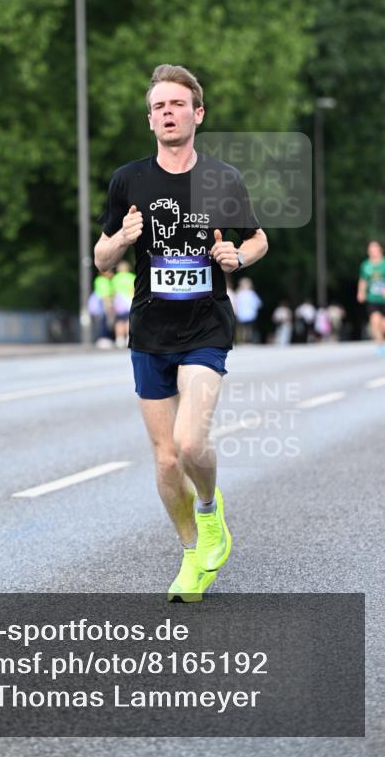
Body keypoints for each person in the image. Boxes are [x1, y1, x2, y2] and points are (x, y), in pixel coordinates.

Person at [95, 63, 268, 602]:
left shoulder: (224, 179)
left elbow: (259, 239)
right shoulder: (128, 180)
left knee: (192, 442)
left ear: (198, 113)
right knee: (167, 457)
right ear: (150, 121)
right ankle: (192, 552)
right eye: (157, 107)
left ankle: (211, 512)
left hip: (205, 326)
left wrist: (236, 255)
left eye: (176, 104)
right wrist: (121, 238)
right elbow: (100, 261)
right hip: (150, 329)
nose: (166, 113)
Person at [357, 239, 385, 353]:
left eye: (375, 248)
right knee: (374, 320)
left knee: (383, 325)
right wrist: (361, 292)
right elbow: (363, 280)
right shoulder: (365, 265)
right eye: (370, 249)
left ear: (380, 249)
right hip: (373, 298)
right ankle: (380, 345)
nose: (373, 251)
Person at [111, 260, 136, 348]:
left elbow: (113, 291)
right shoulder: (132, 277)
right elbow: (133, 289)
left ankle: (119, 339)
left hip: (119, 301)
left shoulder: (115, 278)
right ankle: (128, 338)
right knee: (128, 320)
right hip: (129, 300)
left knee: (119, 321)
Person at [234, 278, 262, 344]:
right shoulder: (239, 293)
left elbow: (257, 303)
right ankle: (242, 340)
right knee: (242, 328)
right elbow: (235, 303)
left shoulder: (251, 293)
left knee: (249, 328)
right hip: (242, 314)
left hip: (250, 314)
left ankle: (247, 340)